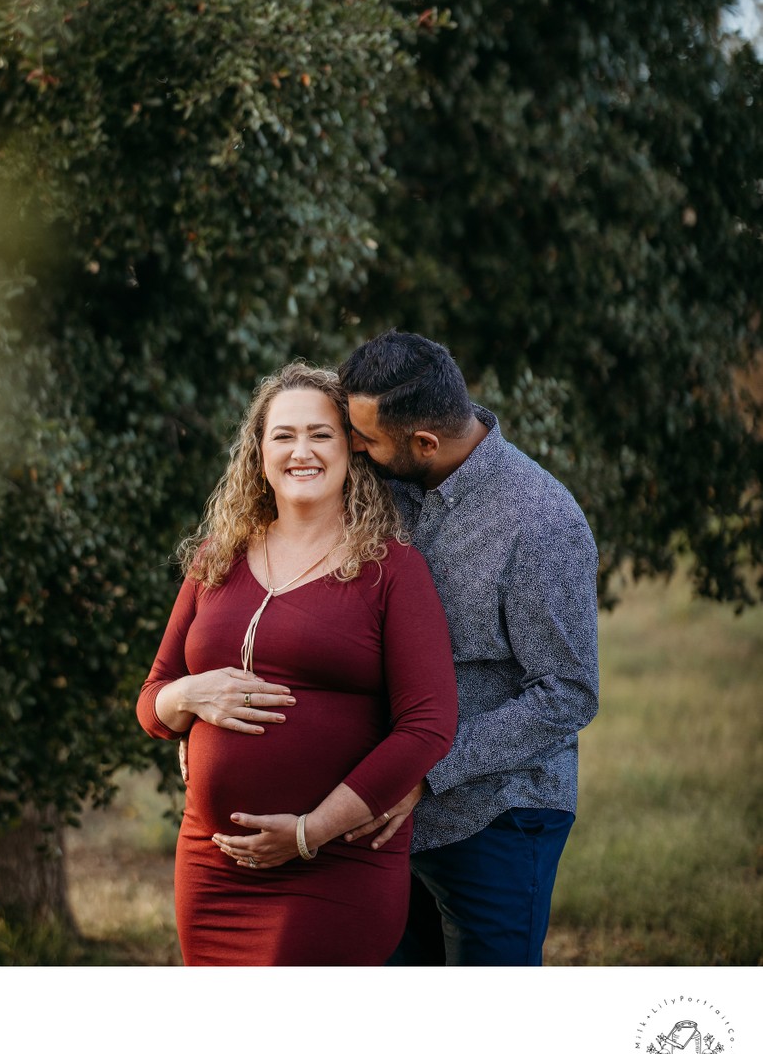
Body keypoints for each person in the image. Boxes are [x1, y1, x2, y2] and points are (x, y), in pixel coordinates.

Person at [137, 361, 458, 966]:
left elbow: (428, 725)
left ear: (350, 450)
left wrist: (310, 833)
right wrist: (191, 696)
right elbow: (153, 698)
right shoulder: (217, 558)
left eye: (321, 434)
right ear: (259, 453)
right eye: (284, 435)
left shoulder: (391, 569)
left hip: (335, 867)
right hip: (212, 867)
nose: (301, 451)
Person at [337, 329, 599, 966]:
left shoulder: (539, 521)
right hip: (387, 824)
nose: (353, 448)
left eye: (365, 439)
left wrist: (426, 774)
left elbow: (567, 695)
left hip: (497, 820)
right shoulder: (382, 488)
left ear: (424, 442)